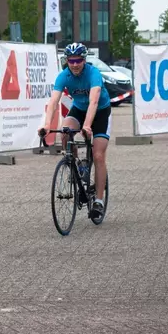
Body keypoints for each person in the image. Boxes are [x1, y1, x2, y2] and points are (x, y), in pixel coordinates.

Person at [39, 42, 112, 219]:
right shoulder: (63, 76)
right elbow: (54, 102)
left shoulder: (93, 73)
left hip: (100, 111)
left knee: (98, 155)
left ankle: (99, 202)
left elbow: (94, 101)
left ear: (84, 60)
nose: (74, 64)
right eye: (71, 61)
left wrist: (87, 126)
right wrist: (47, 125)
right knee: (65, 131)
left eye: (78, 60)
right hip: (79, 109)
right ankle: (78, 165)